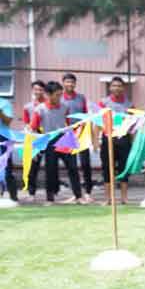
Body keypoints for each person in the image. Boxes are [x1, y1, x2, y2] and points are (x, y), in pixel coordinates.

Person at [31, 81, 82, 205]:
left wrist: (73, 139)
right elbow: (33, 128)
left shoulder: (65, 107)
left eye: (60, 94)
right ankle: (50, 198)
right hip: (49, 141)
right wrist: (35, 147)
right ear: (48, 94)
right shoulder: (40, 109)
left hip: (65, 139)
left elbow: (68, 124)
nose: (60, 97)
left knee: (73, 168)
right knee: (51, 170)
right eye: (57, 95)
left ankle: (78, 196)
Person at [98, 76, 133, 205]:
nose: (117, 88)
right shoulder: (103, 103)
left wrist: (132, 141)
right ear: (110, 88)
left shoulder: (129, 104)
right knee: (107, 168)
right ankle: (108, 198)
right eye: (114, 85)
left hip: (124, 139)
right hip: (108, 138)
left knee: (124, 168)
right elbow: (98, 121)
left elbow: (132, 124)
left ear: (123, 88)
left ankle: (124, 197)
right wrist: (96, 141)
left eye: (119, 86)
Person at [61, 73, 94, 202]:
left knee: (85, 163)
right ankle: (77, 194)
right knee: (72, 166)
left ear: (75, 84)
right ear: (63, 83)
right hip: (68, 135)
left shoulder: (81, 98)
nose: (70, 84)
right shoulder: (60, 98)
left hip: (82, 133)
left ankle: (88, 192)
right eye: (67, 82)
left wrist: (88, 132)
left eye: (72, 82)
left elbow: (86, 115)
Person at [22, 80, 45, 201]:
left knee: (52, 164)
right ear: (32, 90)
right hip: (34, 138)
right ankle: (31, 193)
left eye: (40, 89)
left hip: (47, 136)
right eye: (36, 89)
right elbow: (26, 123)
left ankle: (53, 192)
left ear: (44, 91)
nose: (38, 92)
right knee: (33, 166)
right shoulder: (27, 107)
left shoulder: (48, 104)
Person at [0, 96, 15, 202]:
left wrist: (0, 112)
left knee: (7, 168)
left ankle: (13, 196)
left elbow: (7, 121)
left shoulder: (5, 103)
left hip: (3, 137)